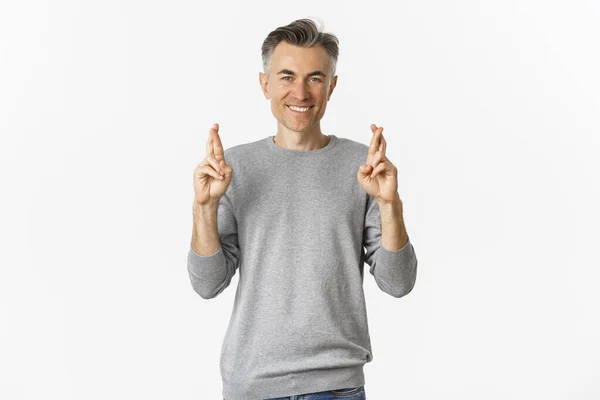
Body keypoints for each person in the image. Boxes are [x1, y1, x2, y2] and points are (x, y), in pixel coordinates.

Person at [187, 18, 418, 400]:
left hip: (336, 384)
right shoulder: (233, 168)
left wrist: (390, 204)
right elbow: (207, 283)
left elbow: (398, 283)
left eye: (314, 78)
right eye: (286, 77)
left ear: (332, 86)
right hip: (253, 383)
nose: (301, 91)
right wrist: (204, 208)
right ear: (265, 84)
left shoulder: (364, 167)